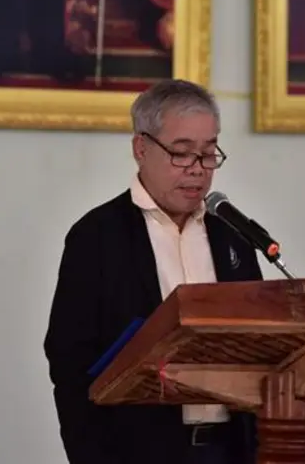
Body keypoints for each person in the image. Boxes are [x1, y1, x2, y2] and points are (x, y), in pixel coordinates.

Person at [43, 79, 263, 464]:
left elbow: (262, 344)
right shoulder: (97, 236)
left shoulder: (232, 236)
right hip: (138, 451)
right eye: (182, 153)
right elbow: (70, 364)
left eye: (208, 153)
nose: (198, 170)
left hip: (231, 449)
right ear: (141, 148)